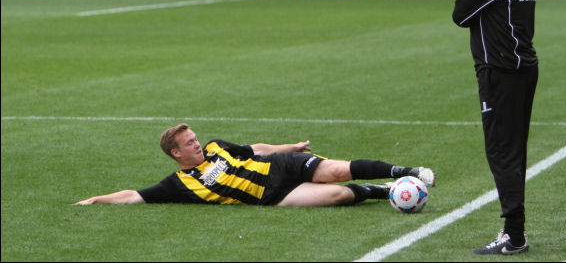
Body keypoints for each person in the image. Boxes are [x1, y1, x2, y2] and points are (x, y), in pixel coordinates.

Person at [452, 0, 538, 255]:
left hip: (501, 70)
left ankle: (514, 234)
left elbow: (460, 13)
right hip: (522, 66)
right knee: (513, 150)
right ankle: (514, 231)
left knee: (501, 151)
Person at [75, 123, 436, 207]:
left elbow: (255, 148)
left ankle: (405, 172)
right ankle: (384, 191)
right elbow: (134, 195)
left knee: (338, 171)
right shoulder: (179, 184)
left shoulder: (217, 146)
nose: (197, 144)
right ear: (176, 154)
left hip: (283, 166)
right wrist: (96, 199)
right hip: (272, 196)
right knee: (337, 196)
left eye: (195, 139)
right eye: (189, 144)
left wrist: (290, 146)